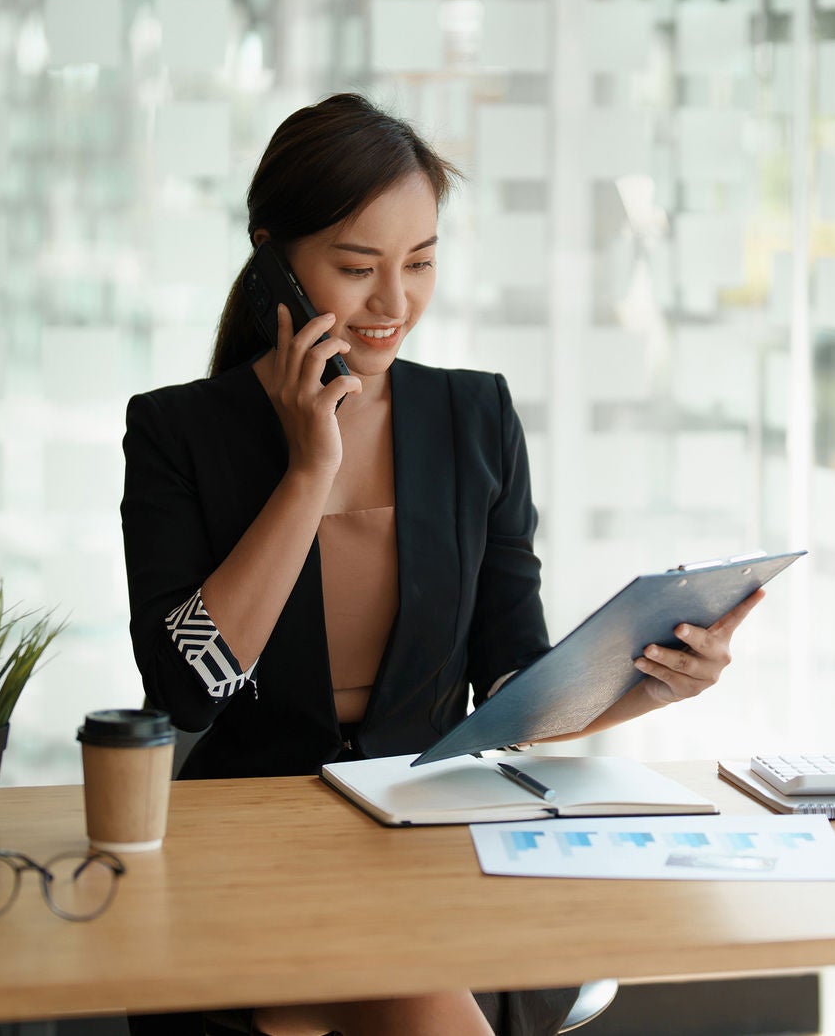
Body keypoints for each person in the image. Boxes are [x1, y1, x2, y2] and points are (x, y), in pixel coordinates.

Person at [120, 93, 766, 1036]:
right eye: (356, 268)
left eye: (420, 263)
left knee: (394, 961)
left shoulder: (475, 418)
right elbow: (188, 688)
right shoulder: (178, 430)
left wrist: (655, 683)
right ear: (275, 261)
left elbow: (513, 681)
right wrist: (310, 470)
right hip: (251, 845)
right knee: (390, 970)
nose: (393, 304)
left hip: (425, 831)